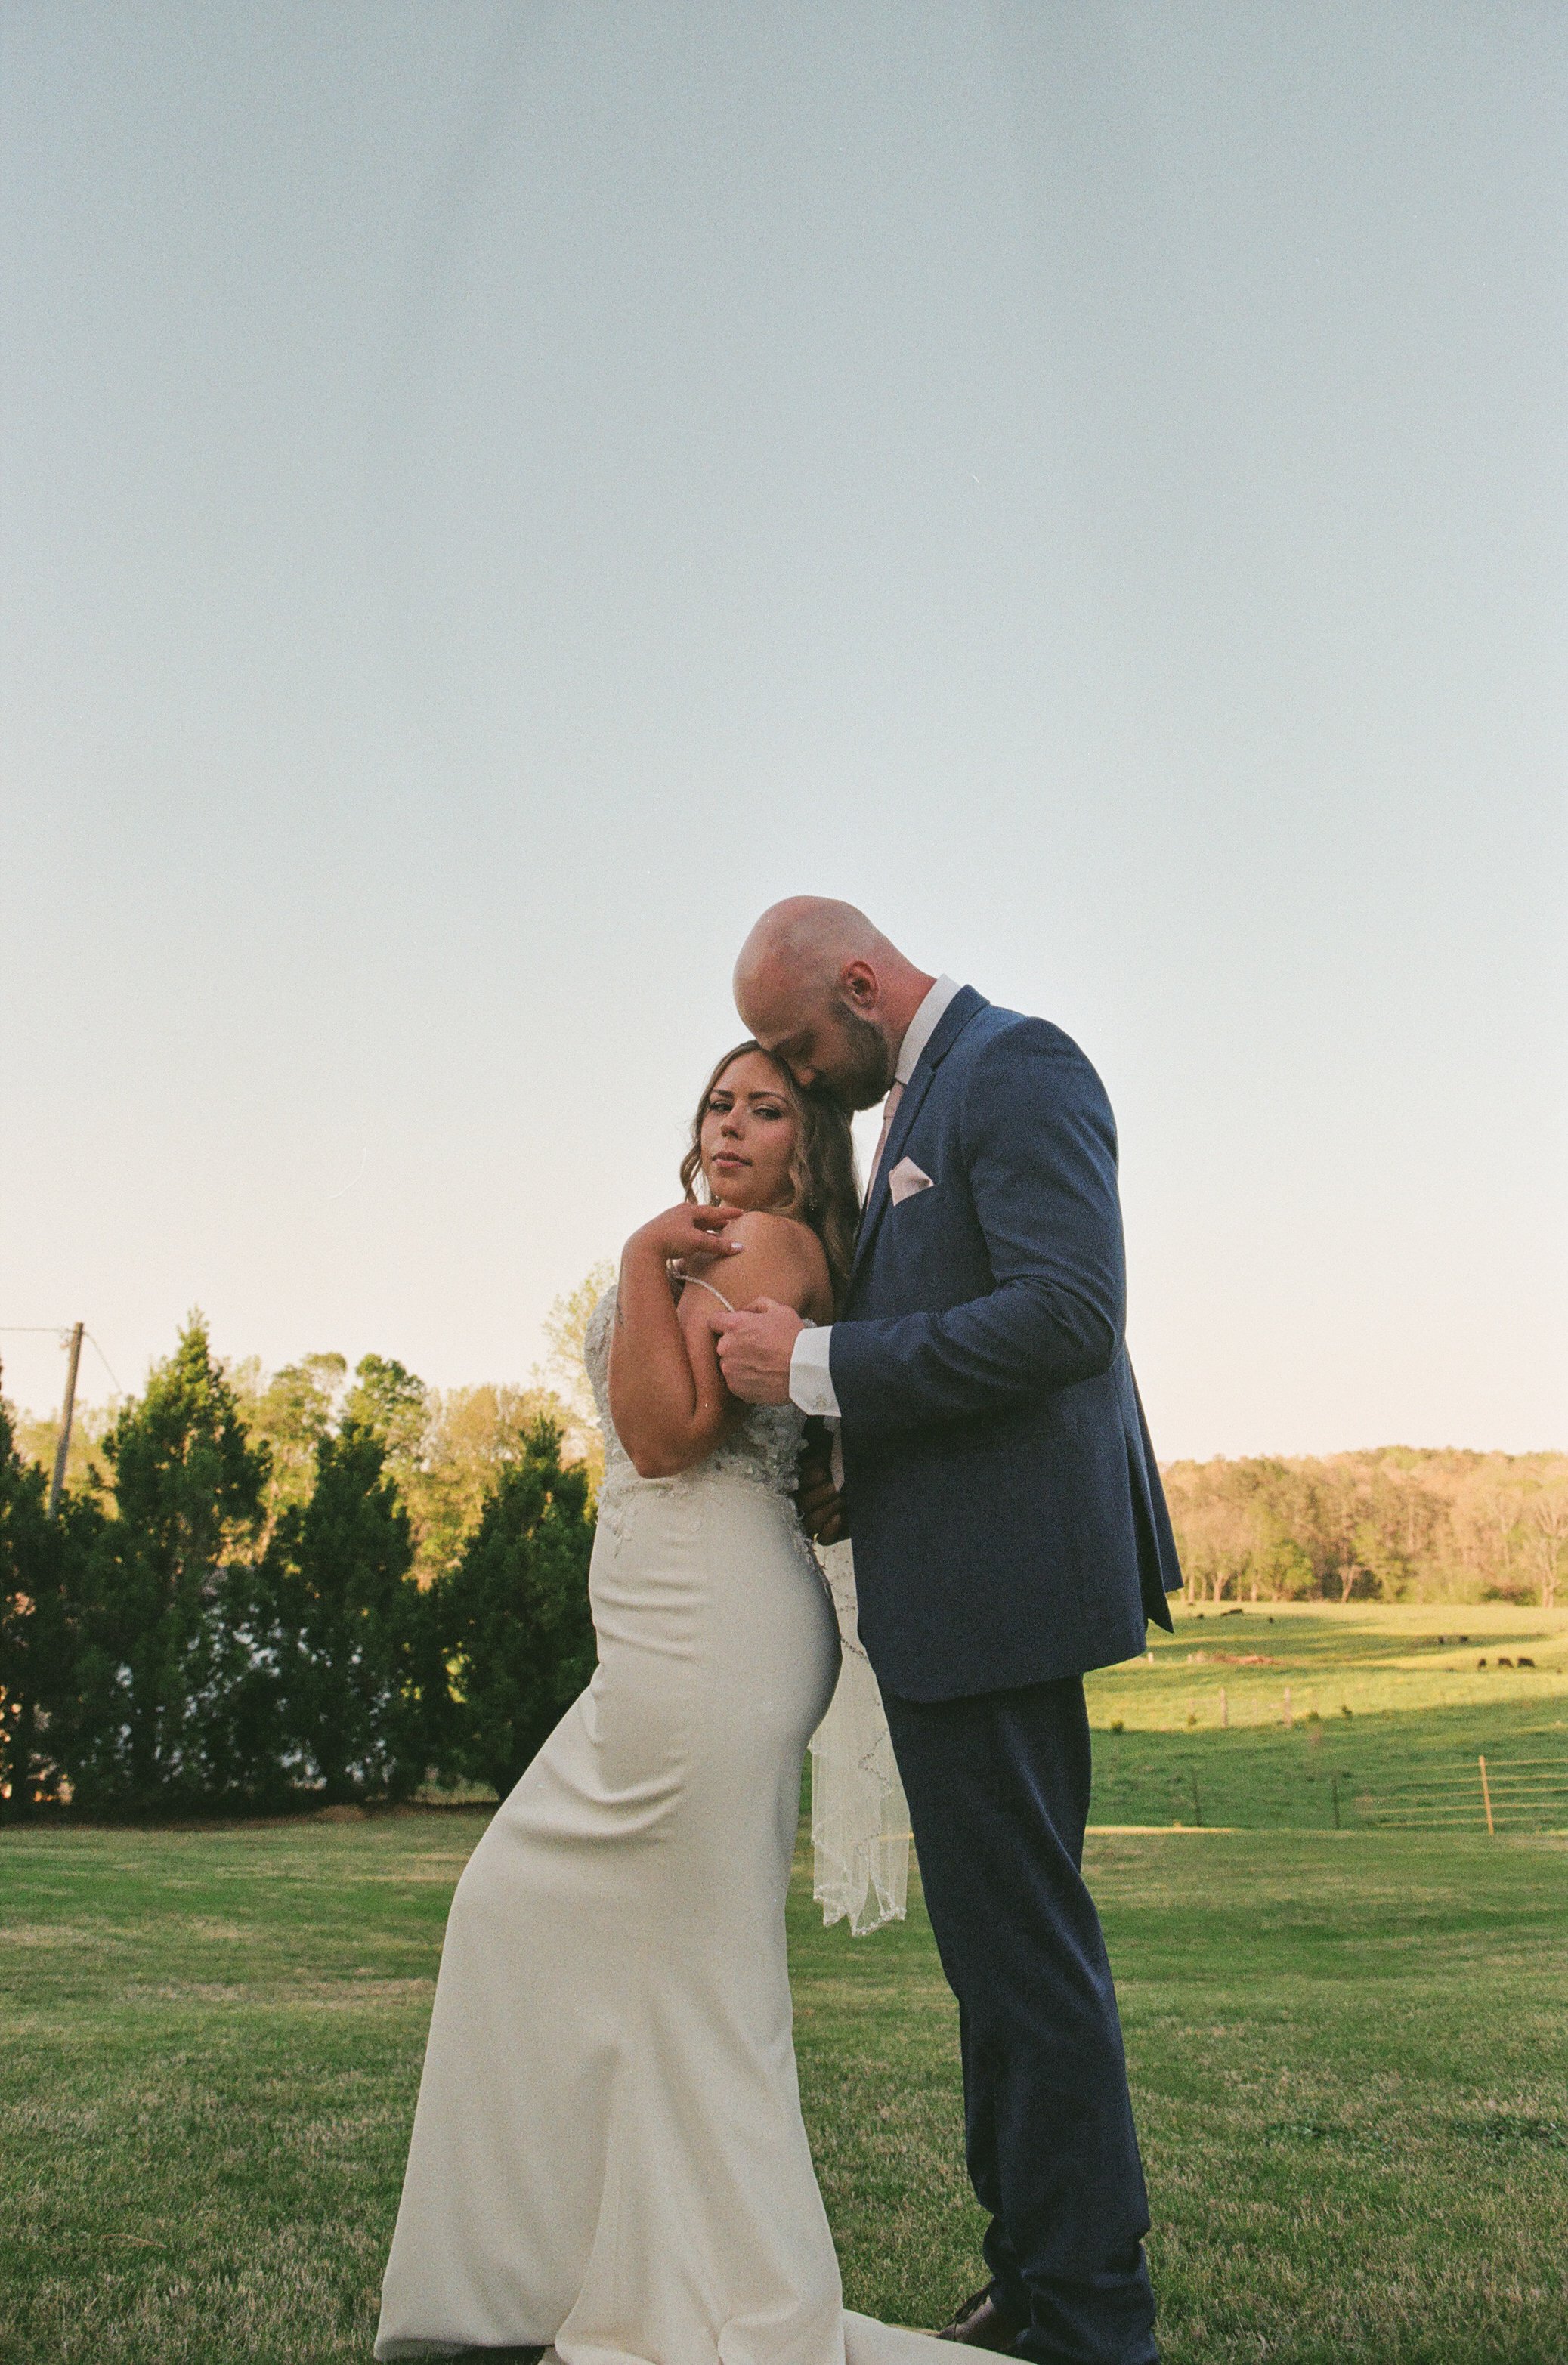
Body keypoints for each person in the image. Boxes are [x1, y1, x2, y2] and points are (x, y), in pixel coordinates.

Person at [375, 1040, 945, 2364]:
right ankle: (579, 2277)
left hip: (713, 1628)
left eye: (768, 1108)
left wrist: (640, 1258)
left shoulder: (771, 1245)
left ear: (808, 1146)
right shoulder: (727, 1242)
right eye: (719, 1103)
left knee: (589, 1932)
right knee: (643, 1958)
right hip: (670, 1623)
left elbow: (664, 1433)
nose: (733, 1123)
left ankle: (719, 2296)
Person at [716, 898, 1182, 2365]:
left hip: (1006, 1593)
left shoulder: (1018, 1065)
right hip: (956, 1593)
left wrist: (819, 1363)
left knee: (1028, 1963)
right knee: (995, 1967)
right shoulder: (921, 1098)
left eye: (799, 1046)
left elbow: (1068, 1313)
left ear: (861, 984)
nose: (805, 1077)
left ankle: (1092, 2313)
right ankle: (1033, 2274)